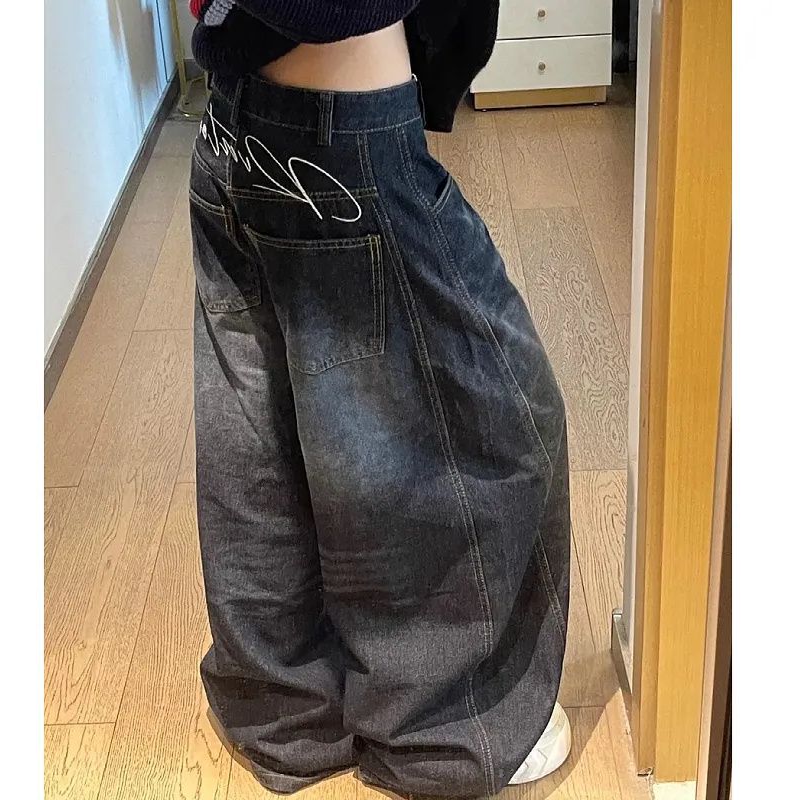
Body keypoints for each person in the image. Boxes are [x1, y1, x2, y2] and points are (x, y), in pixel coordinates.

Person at [188, 2, 572, 797]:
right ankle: (444, 727)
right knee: (492, 417)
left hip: (232, 129)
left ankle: (286, 713)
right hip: (344, 140)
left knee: (262, 433)